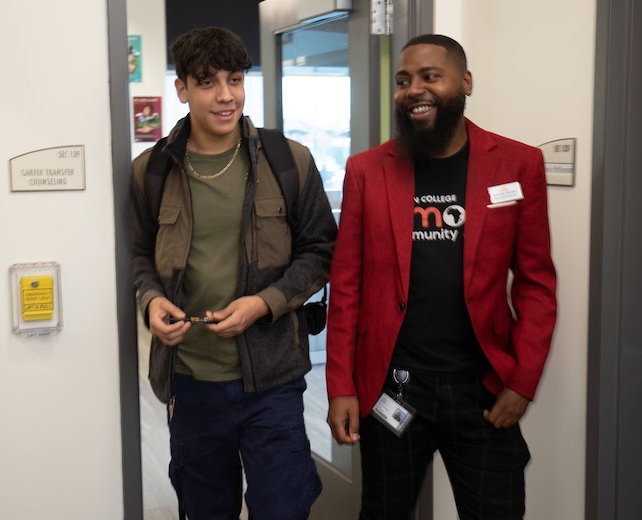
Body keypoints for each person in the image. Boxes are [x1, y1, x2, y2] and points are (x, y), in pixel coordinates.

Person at [325, 34, 557, 520]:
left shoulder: (517, 164)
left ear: (464, 82)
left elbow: (536, 284)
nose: (414, 90)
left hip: (484, 390)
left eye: (430, 76)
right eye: (403, 80)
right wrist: (341, 385)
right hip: (395, 386)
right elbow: (347, 286)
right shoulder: (367, 171)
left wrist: (523, 381)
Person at [130, 27, 336, 520]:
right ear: (182, 89)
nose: (226, 96)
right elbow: (138, 257)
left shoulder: (290, 162)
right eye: (207, 83)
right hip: (191, 379)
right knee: (206, 509)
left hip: (273, 381)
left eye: (235, 79)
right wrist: (152, 301)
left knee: (283, 508)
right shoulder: (151, 172)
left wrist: (265, 302)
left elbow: (321, 252)